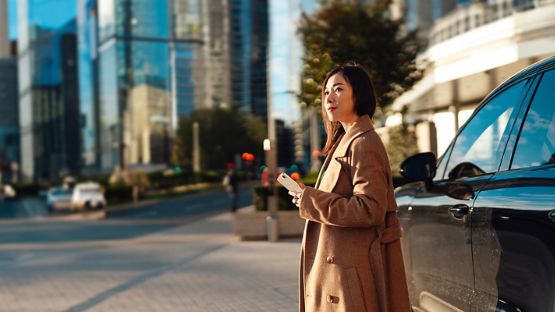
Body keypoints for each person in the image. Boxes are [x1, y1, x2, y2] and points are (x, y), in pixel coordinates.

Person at [288, 63, 411, 311]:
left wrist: (311, 200)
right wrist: (306, 197)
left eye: (339, 89)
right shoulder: (346, 142)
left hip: (350, 276)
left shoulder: (363, 143)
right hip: (340, 271)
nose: (329, 98)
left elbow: (369, 208)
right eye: (326, 92)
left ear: (359, 94)